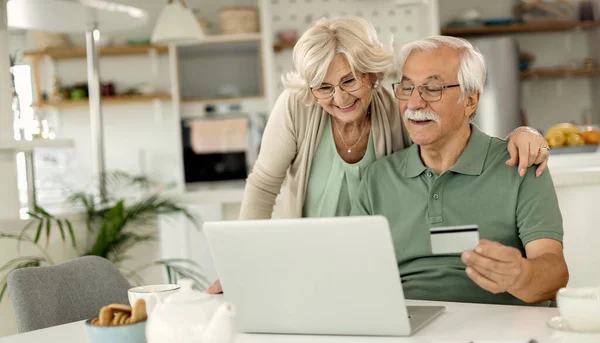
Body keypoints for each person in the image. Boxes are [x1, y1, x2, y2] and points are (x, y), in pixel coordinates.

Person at [205, 17, 550, 294]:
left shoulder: (397, 109)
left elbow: (445, 137)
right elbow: (264, 186)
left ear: (371, 74)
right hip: (307, 254)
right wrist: (241, 268)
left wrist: (526, 133)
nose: (339, 98)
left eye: (349, 81)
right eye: (324, 87)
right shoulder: (297, 106)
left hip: (371, 264)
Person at [351, 36, 568, 305]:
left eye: (432, 89)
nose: (415, 103)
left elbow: (555, 273)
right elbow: (358, 279)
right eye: (407, 88)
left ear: (470, 100)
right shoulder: (377, 178)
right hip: (408, 329)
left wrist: (521, 275)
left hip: (500, 328)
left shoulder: (519, 165)